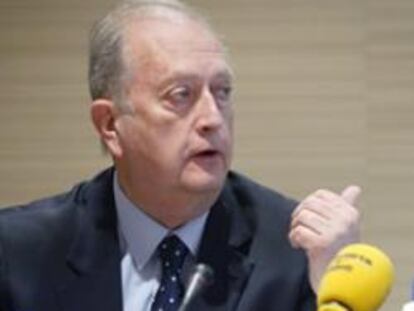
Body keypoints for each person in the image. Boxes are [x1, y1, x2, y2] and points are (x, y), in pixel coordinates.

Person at [0, 1, 361, 310]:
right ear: (110, 124)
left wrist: (338, 290)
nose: (212, 118)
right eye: (181, 95)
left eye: (222, 92)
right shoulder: (17, 255)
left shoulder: (294, 251)